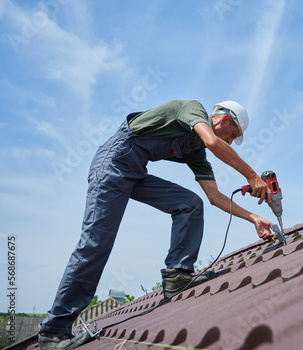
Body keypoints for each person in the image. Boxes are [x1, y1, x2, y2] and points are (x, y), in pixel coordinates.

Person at [38, 100, 274, 350]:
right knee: (96, 243)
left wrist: (254, 218)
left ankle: (177, 276)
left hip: (135, 171)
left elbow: (214, 197)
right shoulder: (193, 110)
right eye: (232, 136)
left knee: (190, 204)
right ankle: (54, 330)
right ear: (225, 121)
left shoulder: (196, 150)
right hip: (113, 163)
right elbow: (214, 142)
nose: (229, 142)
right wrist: (252, 175)